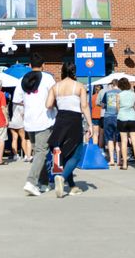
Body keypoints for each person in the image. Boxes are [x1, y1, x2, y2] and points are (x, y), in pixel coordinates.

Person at [46, 62, 93, 198]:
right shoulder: (79, 86)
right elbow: (84, 106)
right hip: (74, 120)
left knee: (66, 154)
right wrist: (90, 125)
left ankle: (72, 186)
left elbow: (48, 105)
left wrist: (58, 103)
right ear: (74, 71)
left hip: (60, 120)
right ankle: (62, 177)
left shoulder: (55, 87)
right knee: (77, 154)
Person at [13, 53, 56, 196]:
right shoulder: (48, 78)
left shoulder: (21, 80)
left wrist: (29, 102)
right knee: (41, 152)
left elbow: (17, 99)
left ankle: (43, 183)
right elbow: (55, 96)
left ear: (30, 66)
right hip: (44, 120)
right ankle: (31, 182)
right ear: (43, 65)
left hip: (29, 122)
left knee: (39, 153)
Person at [116, 78, 135, 170]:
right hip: (132, 118)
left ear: (120, 86)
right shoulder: (133, 94)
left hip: (122, 118)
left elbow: (118, 108)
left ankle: (124, 164)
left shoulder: (119, 95)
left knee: (124, 141)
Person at [97, 80, 121, 166]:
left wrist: (108, 105)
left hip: (108, 117)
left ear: (112, 85)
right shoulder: (121, 92)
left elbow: (102, 105)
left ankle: (111, 160)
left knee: (109, 138)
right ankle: (119, 160)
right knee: (118, 139)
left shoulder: (107, 93)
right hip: (118, 117)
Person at [8, 91, 30, 162]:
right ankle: (26, 154)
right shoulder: (21, 105)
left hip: (12, 122)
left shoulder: (12, 104)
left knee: (14, 139)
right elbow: (23, 114)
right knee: (23, 138)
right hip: (20, 123)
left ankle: (15, 155)